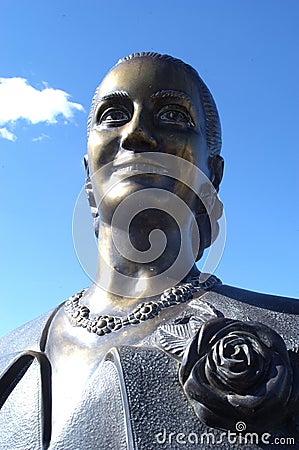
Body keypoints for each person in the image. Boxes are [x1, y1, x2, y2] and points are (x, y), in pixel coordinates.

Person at [1, 52, 299, 449]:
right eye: (114, 114)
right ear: (88, 171)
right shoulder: (8, 352)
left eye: (173, 115)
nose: (136, 134)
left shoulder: (290, 330)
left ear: (214, 173)